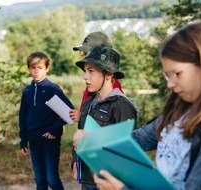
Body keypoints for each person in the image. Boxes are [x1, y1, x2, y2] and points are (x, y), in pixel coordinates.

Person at [91, 20, 201, 190]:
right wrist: (94, 138)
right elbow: (138, 139)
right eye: (167, 75)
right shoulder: (177, 112)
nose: (170, 84)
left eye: (177, 73)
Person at [72, 45, 138, 190]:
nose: (85, 77)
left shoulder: (121, 106)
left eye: (91, 71)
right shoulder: (88, 102)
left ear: (108, 74)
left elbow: (129, 148)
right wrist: (75, 162)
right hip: (87, 178)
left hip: (108, 181)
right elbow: (80, 134)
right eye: (85, 71)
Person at [69, 31, 125, 182]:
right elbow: (83, 127)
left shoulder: (116, 95)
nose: (82, 56)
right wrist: (75, 161)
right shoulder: (92, 88)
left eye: (86, 53)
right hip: (87, 170)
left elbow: (121, 140)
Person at [19, 51, 74, 190]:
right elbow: (23, 116)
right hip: (33, 140)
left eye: (40, 68)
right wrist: (23, 140)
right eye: (33, 68)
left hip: (50, 139)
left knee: (52, 179)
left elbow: (69, 112)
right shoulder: (27, 91)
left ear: (47, 68)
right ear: (29, 69)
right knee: (40, 180)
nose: (36, 71)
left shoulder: (52, 89)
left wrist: (54, 130)